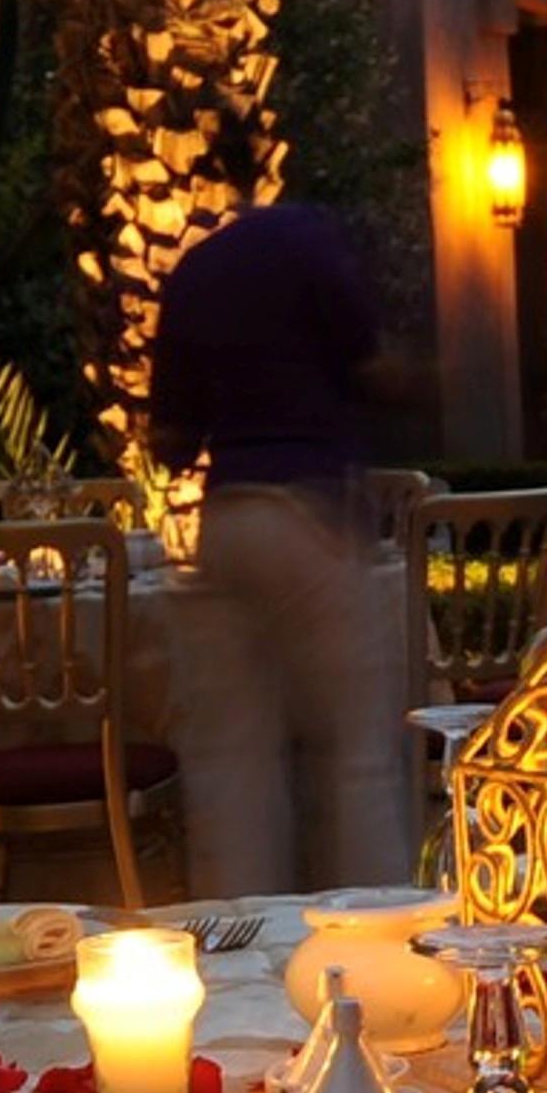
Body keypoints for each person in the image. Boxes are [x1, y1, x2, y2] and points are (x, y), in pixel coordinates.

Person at [145, 202, 408, 894]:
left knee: (232, 764)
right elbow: (374, 365)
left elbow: (169, 441)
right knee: (356, 753)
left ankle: (243, 945)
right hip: (309, 514)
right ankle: (375, 933)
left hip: (226, 520)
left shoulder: (193, 271)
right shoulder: (313, 240)